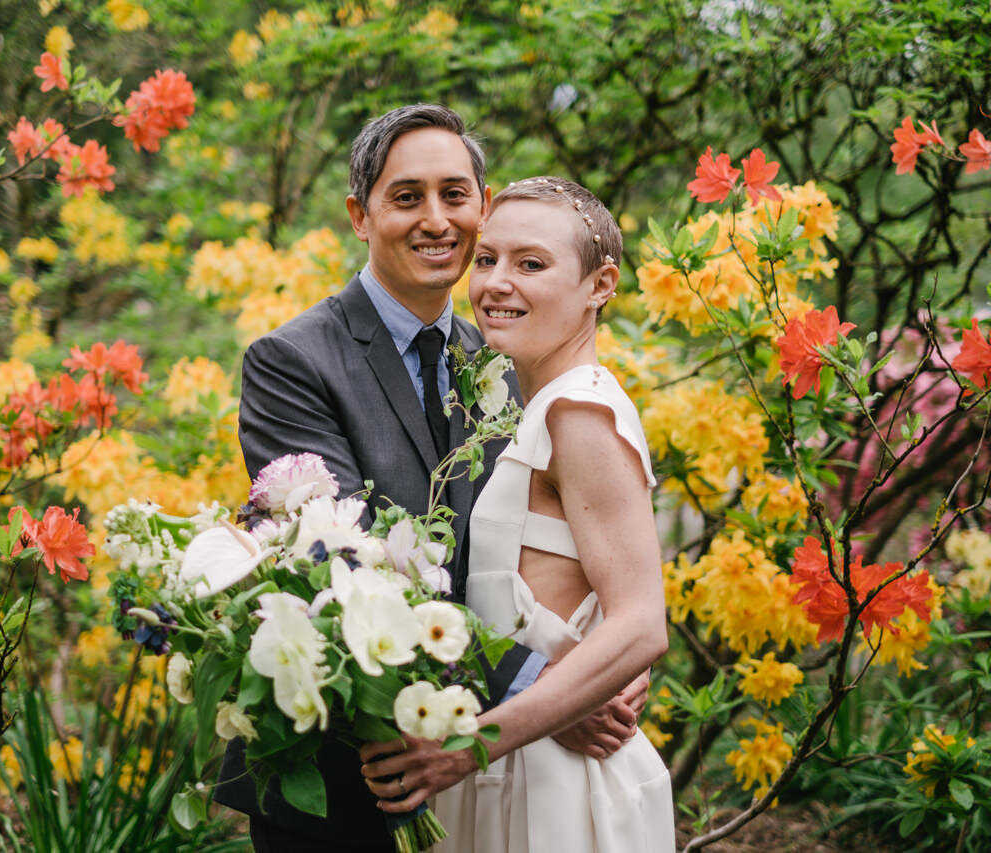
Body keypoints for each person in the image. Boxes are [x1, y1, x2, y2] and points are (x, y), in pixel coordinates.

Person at [215, 105, 647, 853]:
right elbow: (347, 569)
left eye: (456, 194)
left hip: (480, 776)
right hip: (344, 771)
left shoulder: (508, 354)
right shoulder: (293, 362)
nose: (437, 219)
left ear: (483, 206)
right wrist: (541, 687)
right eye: (407, 196)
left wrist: (599, 663)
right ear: (361, 213)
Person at [359, 177, 676, 851]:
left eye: (531, 264)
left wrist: (466, 747)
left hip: (558, 789)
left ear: (601, 283)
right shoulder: (528, 406)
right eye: (490, 260)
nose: (497, 283)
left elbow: (642, 623)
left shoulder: (579, 414)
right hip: (517, 763)